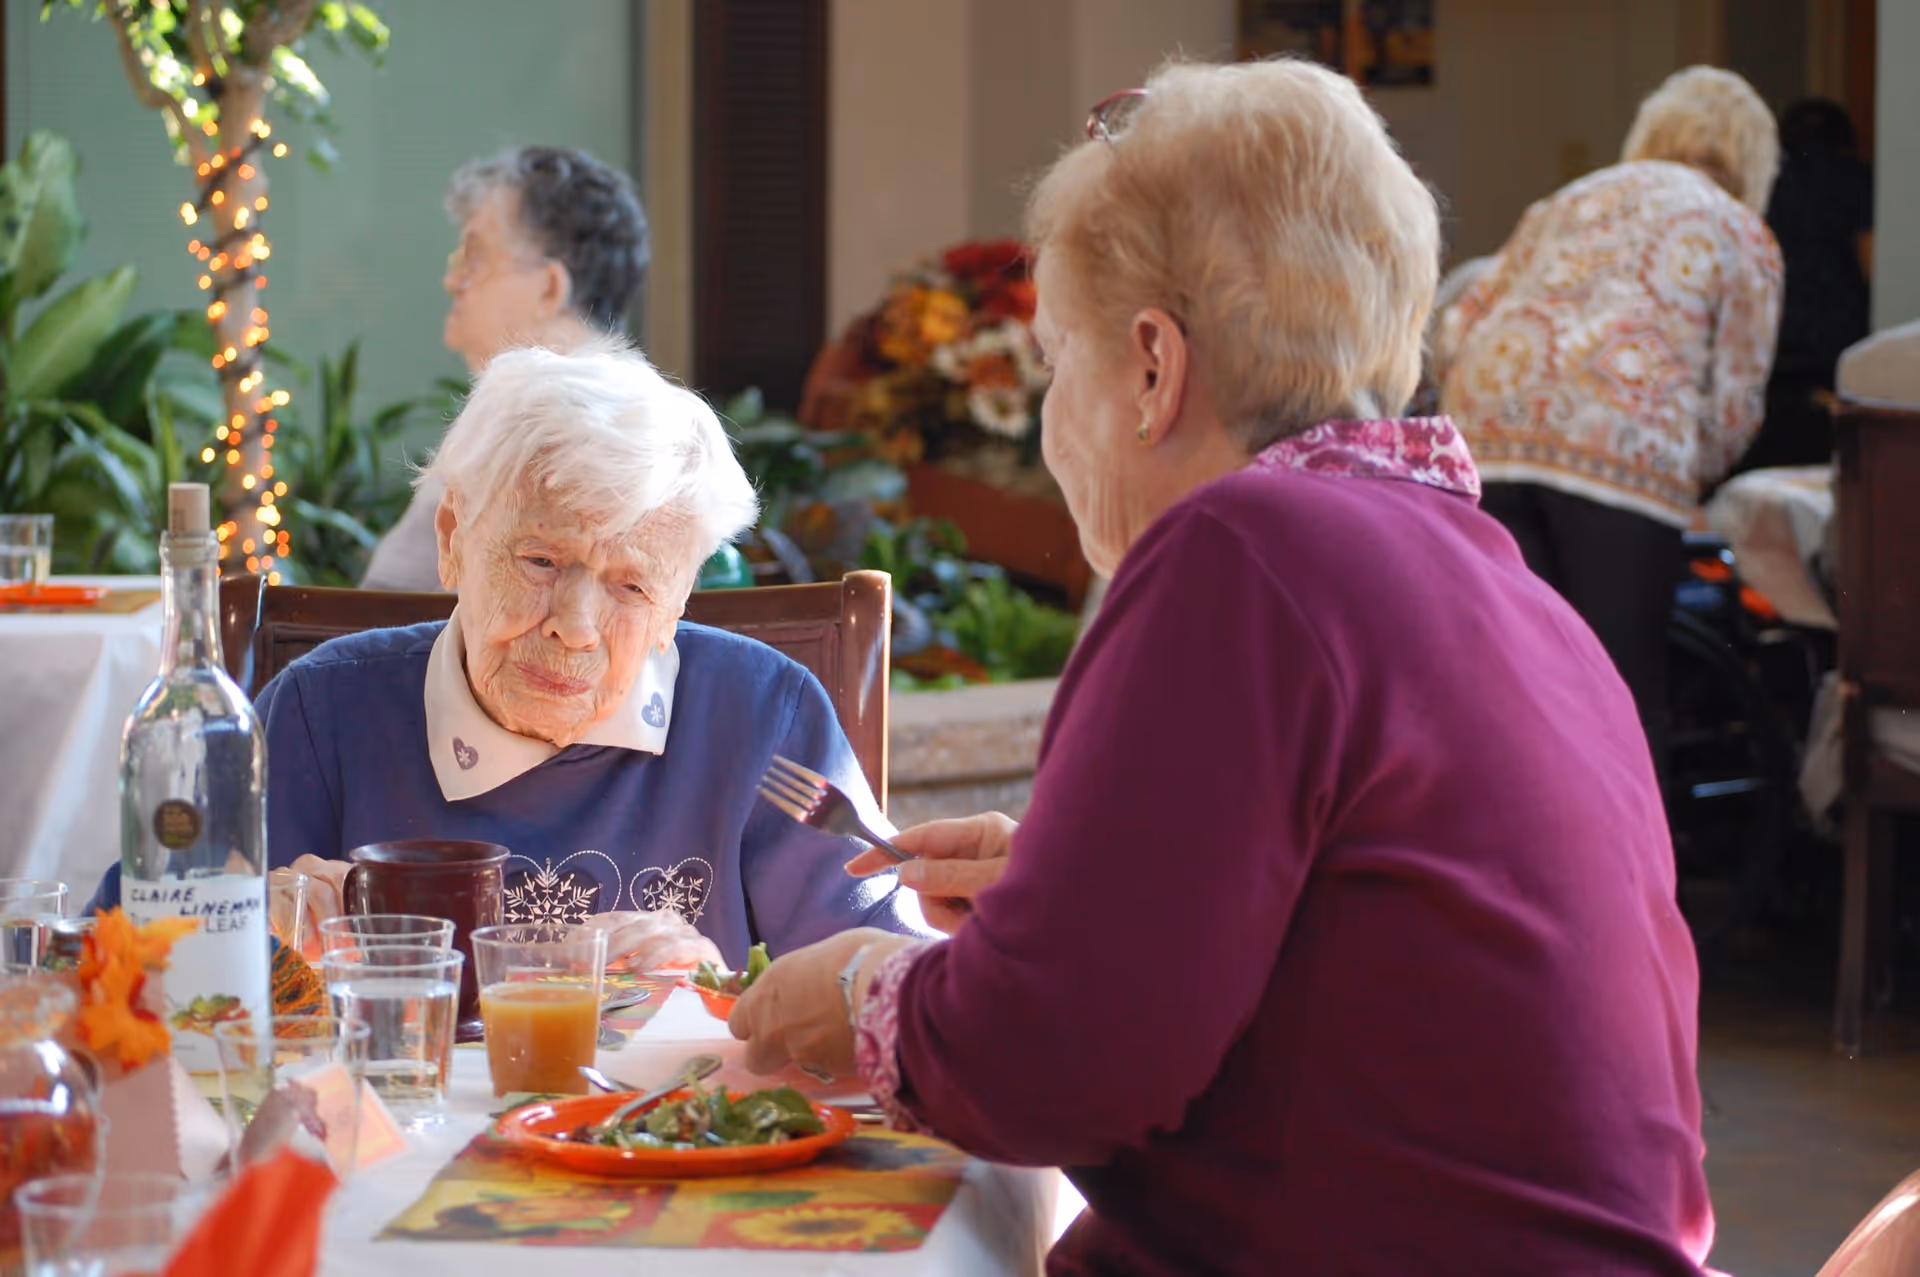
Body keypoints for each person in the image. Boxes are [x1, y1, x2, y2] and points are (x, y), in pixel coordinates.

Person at [729, 58, 1714, 1274]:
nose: (1050, 424)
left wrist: (866, 986)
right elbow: (1371, 955)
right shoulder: (1509, 588)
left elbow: (1052, 1063)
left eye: (1054, 362)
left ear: (1152, 366)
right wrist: (1064, 885)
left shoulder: (1240, 549)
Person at [90, 342, 923, 971]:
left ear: (680, 599)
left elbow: (893, 986)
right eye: (541, 562)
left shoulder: (763, 715)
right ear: (453, 540)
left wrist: (720, 990)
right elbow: (122, 958)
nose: (575, 624)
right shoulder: (320, 715)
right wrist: (239, 935)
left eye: (633, 587)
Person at [1435, 66, 1784, 778]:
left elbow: (1459, 322)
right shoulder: (1742, 231)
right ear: (1754, 159)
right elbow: (1734, 405)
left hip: (1488, 440)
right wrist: (1689, 478)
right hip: (1622, 459)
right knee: (1620, 697)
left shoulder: (1570, 198)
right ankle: (1631, 886)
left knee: (1512, 690)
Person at [360, 146, 650, 593]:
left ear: (549, 288)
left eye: (474, 258)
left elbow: (380, 629)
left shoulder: (542, 426)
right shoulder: (644, 414)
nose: (451, 280)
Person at [1738, 98, 1873, 473]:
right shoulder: (1857, 181)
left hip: (1777, 325)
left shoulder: (1767, 184)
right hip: (1839, 328)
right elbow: (1870, 263)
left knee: (1777, 426)